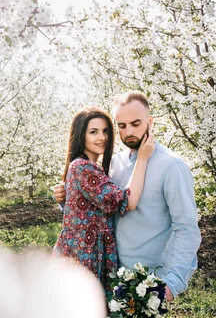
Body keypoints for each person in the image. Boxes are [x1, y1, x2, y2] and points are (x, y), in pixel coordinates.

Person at [53, 91, 201, 302]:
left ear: (150, 122)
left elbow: (186, 228)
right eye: (121, 126)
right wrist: (66, 200)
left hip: (146, 281)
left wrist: (172, 284)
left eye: (135, 123)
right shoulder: (114, 164)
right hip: (108, 275)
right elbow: (98, 208)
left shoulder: (172, 167)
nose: (128, 131)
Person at [52, 106, 155, 303]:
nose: (102, 137)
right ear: (81, 135)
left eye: (106, 131)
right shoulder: (83, 167)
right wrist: (143, 157)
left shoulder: (88, 167)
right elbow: (128, 202)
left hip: (84, 255)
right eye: (94, 132)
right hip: (85, 257)